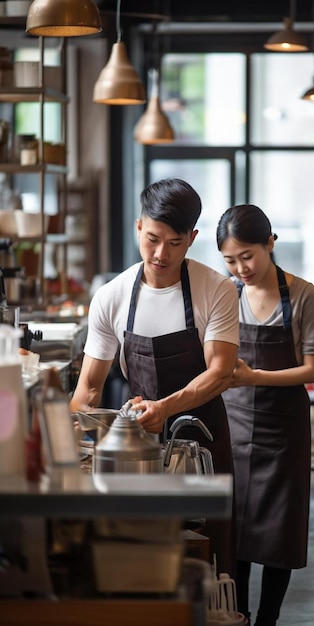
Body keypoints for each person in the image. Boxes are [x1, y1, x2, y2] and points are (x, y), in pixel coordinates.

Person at [70, 178, 239, 574]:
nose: (161, 253)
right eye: (152, 239)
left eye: (175, 243)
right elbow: (88, 389)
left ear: (193, 237)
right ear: (137, 227)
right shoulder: (112, 296)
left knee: (211, 562)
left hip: (203, 445)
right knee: (142, 561)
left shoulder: (216, 290)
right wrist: (77, 447)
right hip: (137, 453)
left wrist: (165, 407)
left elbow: (220, 372)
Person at [216, 204, 314, 626]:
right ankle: (239, 616)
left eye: (248, 256)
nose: (240, 268)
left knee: (279, 530)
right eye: (230, 259)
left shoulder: (303, 295)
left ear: (270, 243)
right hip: (235, 423)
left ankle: (268, 621)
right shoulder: (226, 294)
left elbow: (313, 369)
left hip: (285, 429)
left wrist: (253, 375)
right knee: (237, 531)